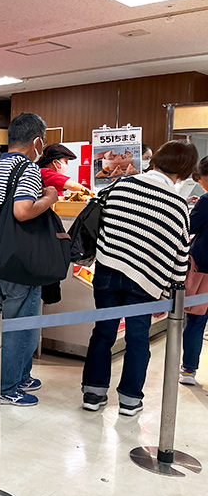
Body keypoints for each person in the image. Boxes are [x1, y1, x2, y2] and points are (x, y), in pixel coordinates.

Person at [81, 140, 196, 415]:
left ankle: (93, 393)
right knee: (137, 338)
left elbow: (101, 221)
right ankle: (130, 399)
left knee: (103, 332)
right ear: (185, 170)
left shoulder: (119, 186)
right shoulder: (177, 204)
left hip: (108, 270)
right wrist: (169, 294)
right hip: (146, 278)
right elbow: (180, 254)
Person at [0, 113, 58, 406]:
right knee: (21, 325)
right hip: (19, 264)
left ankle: (20, 375)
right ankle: (8, 387)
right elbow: (22, 211)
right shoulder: (28, 169)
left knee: (8, 322)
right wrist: (50, 197)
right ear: (37, 141)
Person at [180, 156, 208, 385]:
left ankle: (189, 370)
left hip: (203, 269)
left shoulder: (207, 200)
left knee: (196, 321)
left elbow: (190, 226)